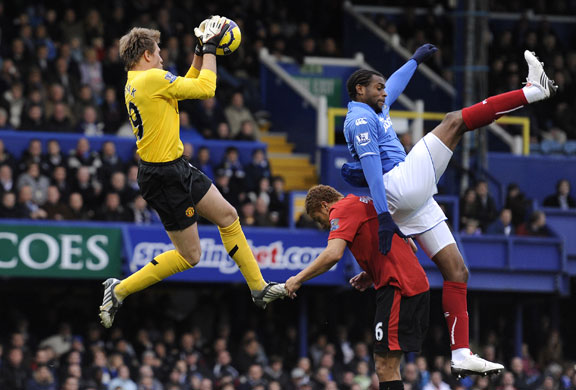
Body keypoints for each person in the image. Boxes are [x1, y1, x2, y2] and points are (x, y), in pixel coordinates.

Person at [341, 47, 556, 376]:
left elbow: (395, 85)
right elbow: (371, 169)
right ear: (360, 89)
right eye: (378, 87)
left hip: (410, 198)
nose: (386, 92)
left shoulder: (375, 107)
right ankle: (533, 91)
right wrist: (384, 215)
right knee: (454, 121)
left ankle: (460, 352)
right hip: (399, 185)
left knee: (457, 270)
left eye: (384, 88)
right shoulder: (359, 119)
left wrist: (414, 61)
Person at [99, 18, 286, 328]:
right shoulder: (151, 79)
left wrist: (200, 52)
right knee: (190, 256)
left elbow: (186, 85)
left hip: (174, 166)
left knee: (227, 215)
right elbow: (206, 89)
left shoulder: (141, 81)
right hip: (162, 177)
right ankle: (119, 289)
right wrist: (211, 47)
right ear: (146, 55)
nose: (161, 57)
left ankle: (258, 288)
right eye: (157, 52)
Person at [284, 184, 434, 390]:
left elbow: (333, 254)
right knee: (390, 366)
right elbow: (407, 244)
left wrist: (298, 279)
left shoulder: (341, 209)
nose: (322, 225)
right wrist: (372, 273)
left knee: (384, 366)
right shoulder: (364, 202)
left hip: (398, 287)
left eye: (319, 219)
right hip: (411, 283)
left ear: (325, 205)